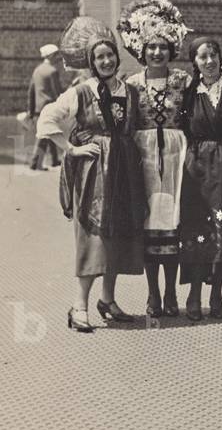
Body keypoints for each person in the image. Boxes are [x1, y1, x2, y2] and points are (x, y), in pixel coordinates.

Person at [37, 17, 147, 331]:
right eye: (99, 57)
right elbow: (48, 117)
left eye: (110, 55)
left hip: (124, 171)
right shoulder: (83, 91)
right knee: (93, 237)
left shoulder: (129, 91)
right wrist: (71, 149)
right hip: (94, 174)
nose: (106, 61)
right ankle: (78, 306)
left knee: (118, 234)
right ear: (91, 63)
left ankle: (108, 300)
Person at [119, 0, 191, 318]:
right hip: (144, 158)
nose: (157, 53)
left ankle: (172, 292)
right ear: (141, 50)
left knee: (172, 221)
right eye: (151, 47)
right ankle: (152, 294)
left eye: (163, 47)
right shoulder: (132, 85)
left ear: (171, 49)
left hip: (176, 156)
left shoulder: (184, 81)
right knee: (150, 222)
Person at [178, 37, 222, 320]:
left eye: (213, 55)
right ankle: (194, 292)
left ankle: (216, 292)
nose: (209, 61)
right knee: (197, 229)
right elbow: (180, 126)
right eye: (203, 56)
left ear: (221, 57)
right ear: (194, 61)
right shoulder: (188, 92)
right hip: (196, 167)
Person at [28, 43, 65, 170]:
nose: (57, 58)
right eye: (55, 55)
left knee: (50, 131)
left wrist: (31, 111)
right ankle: (35, 162)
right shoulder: (52, 71)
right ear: (50, 56)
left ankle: (54, 160)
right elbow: (58, 92)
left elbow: (31, 92)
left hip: (39, 108)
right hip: (49, 107)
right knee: (44, 135)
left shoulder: (37, 70)